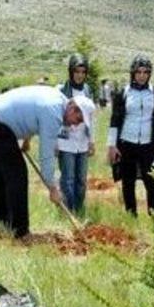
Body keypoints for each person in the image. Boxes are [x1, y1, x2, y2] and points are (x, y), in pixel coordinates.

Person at [0, 85, 87, 238]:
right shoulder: (53, 113)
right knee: (17, 175)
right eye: (78, 119)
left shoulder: (59, 101)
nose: (76, 124)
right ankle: (20, 232)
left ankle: (2, 226)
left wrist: (26, 139)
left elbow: (32, 112)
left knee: (4, 176)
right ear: (73, 108)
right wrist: (53, 188)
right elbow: (46, 156)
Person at [107, 54, 154, 216]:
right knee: (128, 181)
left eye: (145, 72)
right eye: (138, 72)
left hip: (149, 144)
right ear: (133, 73)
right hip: (127, 143)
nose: (141, 75)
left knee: (151, 180)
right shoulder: (123, 93)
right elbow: (115, 120)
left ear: (149, 74)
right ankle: (130, 215)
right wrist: (112, 145)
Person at [57, 54, 95, 215]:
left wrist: (92, 141)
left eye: (83, 72)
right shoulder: (60, 90)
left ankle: (79, 209)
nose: (79, 75)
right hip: (66, 142)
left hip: (83, 142)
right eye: (76, 71)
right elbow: (56, 118)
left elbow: (92, 117)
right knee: (68, 179)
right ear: (70, 72)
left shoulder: (87, 90)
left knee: (81, 180)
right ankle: (68, 210)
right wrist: (55, 143)